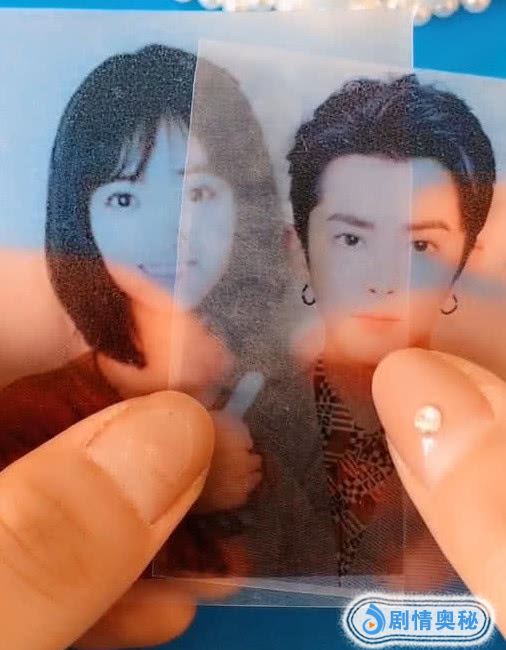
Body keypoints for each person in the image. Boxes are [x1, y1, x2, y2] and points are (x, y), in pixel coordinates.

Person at [0, 44, 334, 580]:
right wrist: (180, 484)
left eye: (197, 194)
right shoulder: (29, 417)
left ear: (244, 203)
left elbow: (331, 578)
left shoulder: (297, 403)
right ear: (81, 221)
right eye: (124, 199)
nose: (169, 234)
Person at [287, 74, 496, 587]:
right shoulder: (248, 423)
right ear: (300, 250)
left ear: (465, 263)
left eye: (420, 246)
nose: (383, 281)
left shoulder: (493, 428)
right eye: (351, 239)